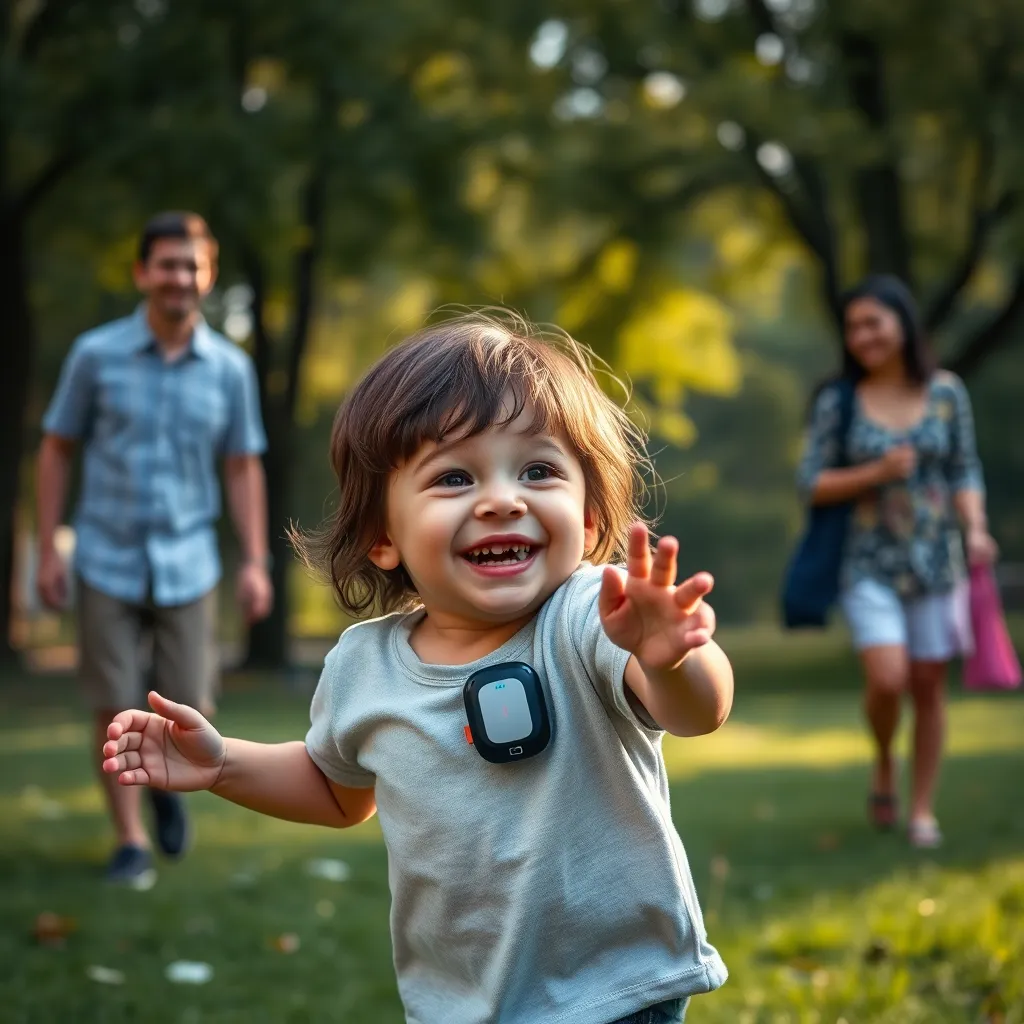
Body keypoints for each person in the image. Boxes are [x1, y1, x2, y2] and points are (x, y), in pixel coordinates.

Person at [100, 312, 734, 1024]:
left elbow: (695, 710)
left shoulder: (589, 613)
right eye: (455, 477)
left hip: (615, 989)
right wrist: (222, 765)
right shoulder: (364, 665)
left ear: (587, 521)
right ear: (382, 536)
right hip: (458, 1003)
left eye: (538, 470)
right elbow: (339, 791)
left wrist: (671, 656)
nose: (501, 498)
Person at [36, 211, 273, 889]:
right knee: (112, 704)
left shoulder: (231, 369)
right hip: (105, 555)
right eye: (166, 264)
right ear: (143, 273)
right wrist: (52, 548)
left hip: (189, 558)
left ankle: (168, 788)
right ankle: (130, 840)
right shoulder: (95, 355)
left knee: (190, 701)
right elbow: (56, 449)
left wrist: (255, 561)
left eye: (190, 266)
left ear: (209, 275)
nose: (179, 278)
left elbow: (241, 467)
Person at [797, 275, 997, 849]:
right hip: (868, 563)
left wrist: (977, 528)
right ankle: (885, 757)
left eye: (873, 323)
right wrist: (875, 474)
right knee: (888, 679)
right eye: (853, 327)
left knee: (930, 687)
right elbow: (811, 482)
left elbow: (963, 467)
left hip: (938, 561)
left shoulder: (946, 393)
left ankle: (922, 811)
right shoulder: (838, 400)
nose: (862, 336)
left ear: (902, 324)